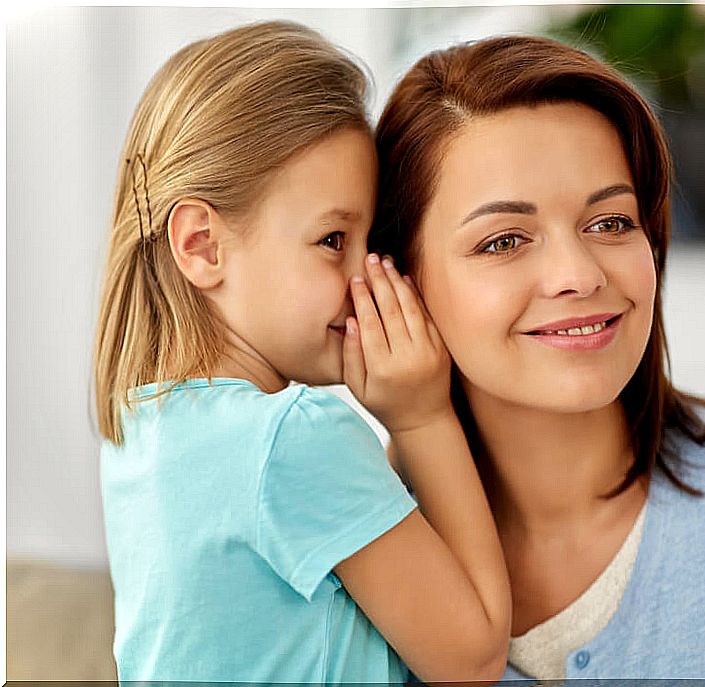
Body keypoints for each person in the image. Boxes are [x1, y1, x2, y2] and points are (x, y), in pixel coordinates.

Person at [370, 34, 705, 681]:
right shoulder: (348, 546)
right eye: (505, 239)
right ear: (395, 281)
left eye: (610, 222)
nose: (577, 275)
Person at [92, 21, 510, 683]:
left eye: (372, 241)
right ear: (202, 245)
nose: (368, 276)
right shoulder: (294, 436)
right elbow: (474, 655)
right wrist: (422, 416)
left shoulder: (143, 428)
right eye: (333, 240)